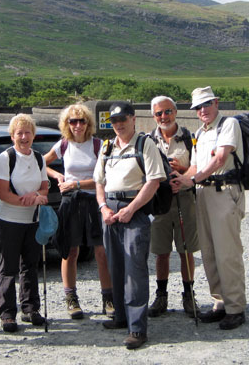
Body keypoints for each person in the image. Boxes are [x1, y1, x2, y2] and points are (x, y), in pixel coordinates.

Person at [171, 86, 247, 330]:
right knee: (209, 252)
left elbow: (220, 159)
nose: (202, 110)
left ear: (216, 102)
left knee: (227, 252)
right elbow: (195, 166)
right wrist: (181, 180)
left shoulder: (228, 125)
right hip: (203, 193)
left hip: (224, 191)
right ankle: (220, 302)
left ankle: (236, 308)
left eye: (206, 104)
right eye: (198, 107)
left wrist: (192, 180)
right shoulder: (200, 133)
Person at [94, 101, 166, 350]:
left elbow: (154, 181)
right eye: (114, 121)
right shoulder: (106, 147)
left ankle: (137, 328)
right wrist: (103, 207)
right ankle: (121, 316)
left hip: (134, 210)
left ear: (133, 118)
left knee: (135, 269)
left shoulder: (145, 144)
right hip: (110, 212)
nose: (119, 124)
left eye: (123, 119)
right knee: (115, 265)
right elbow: (99, 182)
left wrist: (131, 208)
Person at [44, 104, 114, 320]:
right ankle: (71, 298)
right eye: (72, 121)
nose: (77, 125)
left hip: (94, 201)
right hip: (71, 203)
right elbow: (41, 163)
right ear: (66, 125)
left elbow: (104, 178)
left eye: (81, 121)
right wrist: (57, 176)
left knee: (101, 252)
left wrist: (76, 184)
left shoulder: (98, 145)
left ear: (88, 123)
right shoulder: (64, 145)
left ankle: (108, 298)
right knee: (69, 251)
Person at [0, 113, 49, 333]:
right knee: (8, 267)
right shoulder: (6, 158)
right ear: (12, 136)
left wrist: (35, 196)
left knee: (30, 265)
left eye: (28, 132)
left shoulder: (39, 158)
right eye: (20, 133)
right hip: (9, 220)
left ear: (33, 135)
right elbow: (3, 193)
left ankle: (30, 309)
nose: (24, 136)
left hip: (33, 220)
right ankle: (7, 314)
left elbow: (46, 188)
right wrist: (26, 200)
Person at [147, 96, 200, 318]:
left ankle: (189, 295)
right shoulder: (148, 140)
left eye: (167, 112)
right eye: (159, 113)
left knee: (186, 249)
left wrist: (184, 171)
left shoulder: (190, 138)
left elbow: (199, 167)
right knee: (161, 251)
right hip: (160, 201)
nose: (163, 117)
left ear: (176, 112)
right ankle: (161, 295)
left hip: (184, 199)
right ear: (153, 116)